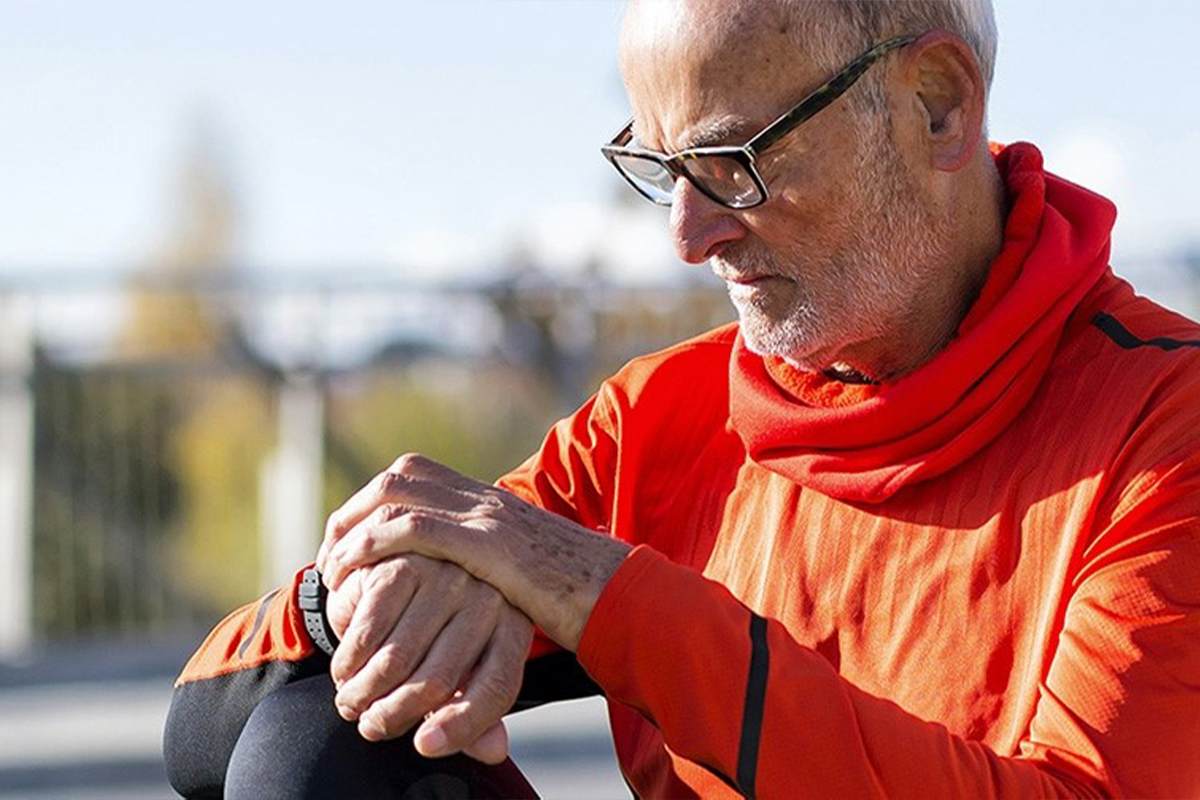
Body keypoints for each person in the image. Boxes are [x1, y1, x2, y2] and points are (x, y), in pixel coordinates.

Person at [164, 0, 1200, 797]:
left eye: (736, 161)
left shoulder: (1169, 419)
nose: (688, 235)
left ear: (938, 103)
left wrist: (618, 602)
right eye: (663, 169)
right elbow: (201, 723)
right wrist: (362, 584)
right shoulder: (661, 415)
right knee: (321, 738)